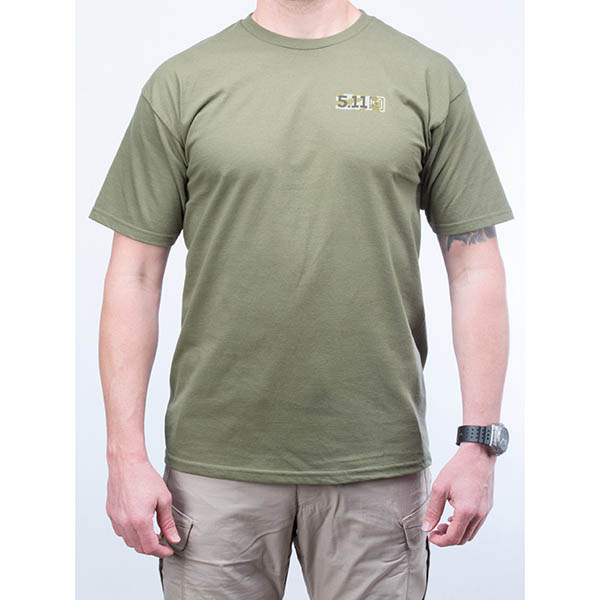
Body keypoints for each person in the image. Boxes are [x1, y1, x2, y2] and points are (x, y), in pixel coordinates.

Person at [89, 1, 514, 598]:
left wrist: (480, 444)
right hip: (215, 464)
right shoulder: (183, 82)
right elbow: (133, 276)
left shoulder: (425, 77)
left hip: (376, 461)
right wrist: (124, 458)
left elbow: (474, 268)